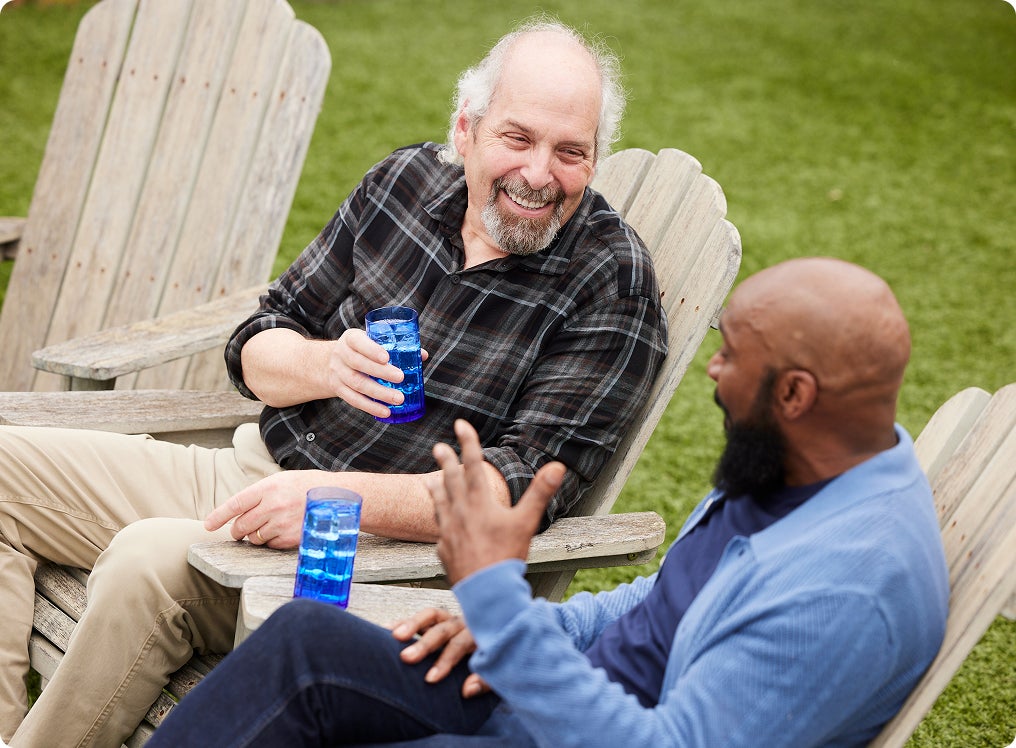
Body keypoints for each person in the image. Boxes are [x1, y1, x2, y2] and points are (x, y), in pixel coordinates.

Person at [0, 19, 668, 747]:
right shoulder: (405, 182)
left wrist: (334, 498)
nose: (541, 174)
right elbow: (258, 338)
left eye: (571, 152)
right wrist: (323, 363)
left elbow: (513, 489)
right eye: (518, 138)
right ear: (467, 130)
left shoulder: (612, 281)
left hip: (371, 556)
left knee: (145, 563)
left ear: (594, 159)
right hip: (253, 470)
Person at [148, 257, 950, 748]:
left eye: (730, 354)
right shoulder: (801, 465)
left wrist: (498, 599)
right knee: (306, 642)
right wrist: (520, 626)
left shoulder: (843, 591)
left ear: (796, 393)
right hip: (551, 692)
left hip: (571, 728)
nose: (714, 370)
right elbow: (666, 605)